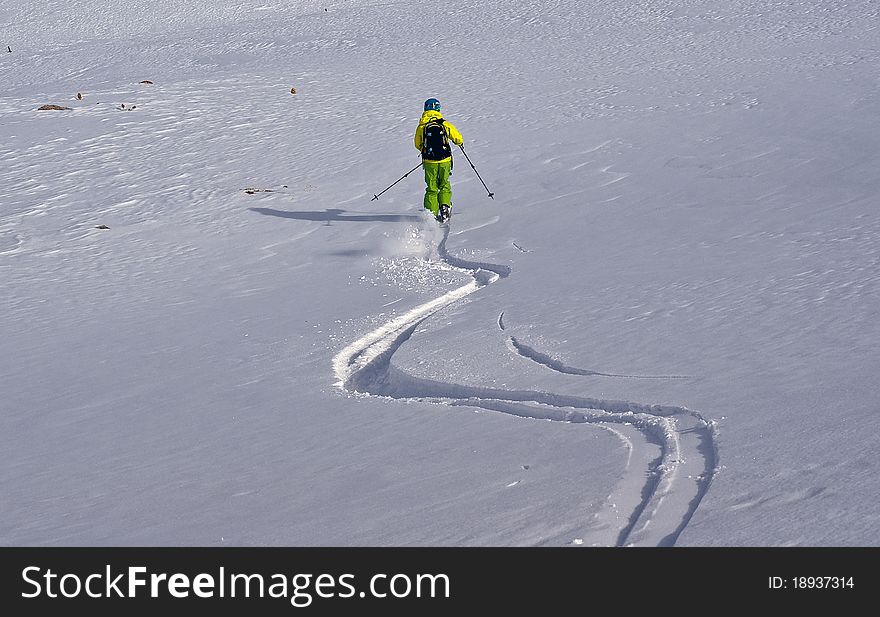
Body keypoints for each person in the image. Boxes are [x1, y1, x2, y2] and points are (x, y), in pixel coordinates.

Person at [414, 98, 463, 223]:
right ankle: (445, 207)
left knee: (431, 187)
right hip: (445, 160)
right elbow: (457, 137)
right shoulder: (443, 123)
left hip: (429, 162)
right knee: (444, 183)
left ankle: (431, 213)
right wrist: (459, 142)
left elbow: (417, 143)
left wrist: (424, 150)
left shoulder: (422, 126)